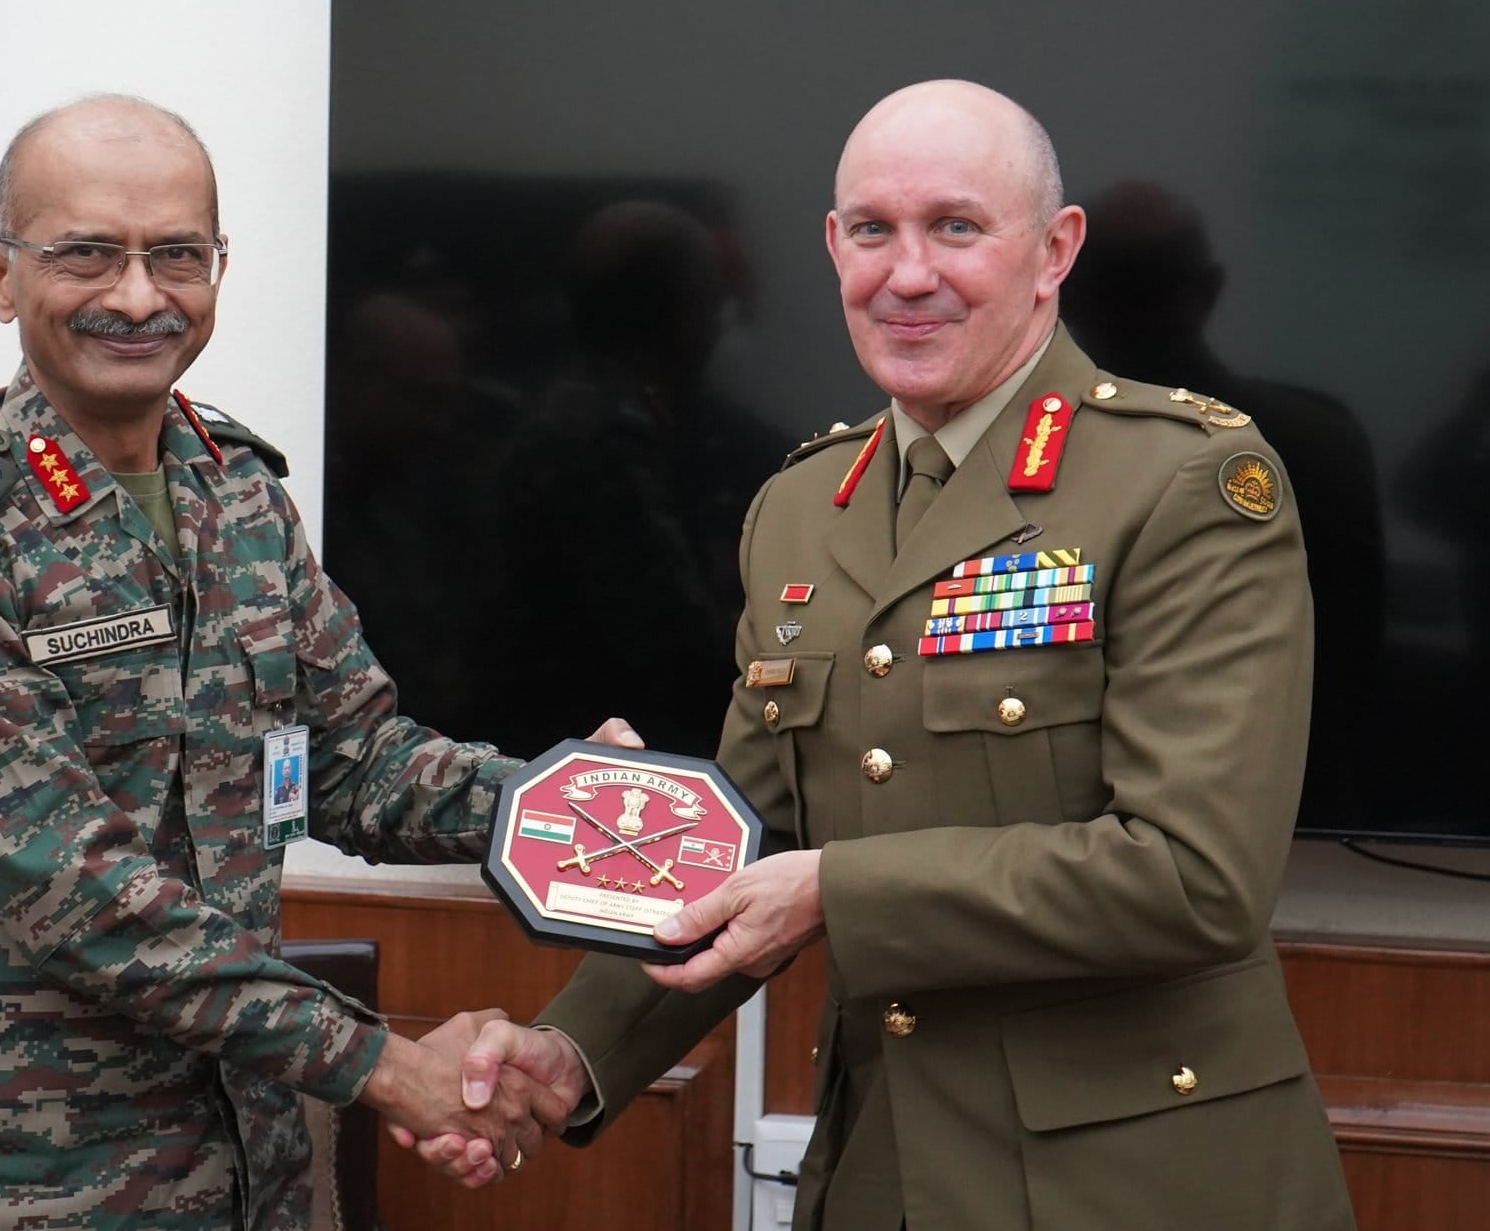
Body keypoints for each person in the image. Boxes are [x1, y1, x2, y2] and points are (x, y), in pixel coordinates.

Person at [414, 80, 1355, 1230]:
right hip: (883, 1168)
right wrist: (572, 1050)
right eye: (872, 230)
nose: (906, 274)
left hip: (1129, 1179)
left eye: (955, 226)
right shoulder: (801, 507)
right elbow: (739, 849)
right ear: (831, 246)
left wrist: (832, 892)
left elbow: (1191, 877)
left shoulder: (1183, 481)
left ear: (1054, 249)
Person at [0, 94, 633, 1230]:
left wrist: (566, 804)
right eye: (86, 254)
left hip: (248, 1168)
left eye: (177, 255)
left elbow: (348, 760)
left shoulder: (235, 488)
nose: (139, 295)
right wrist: (389, 1067)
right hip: (16, 1187)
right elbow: (87, 898)